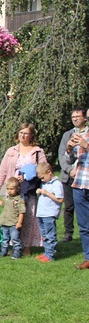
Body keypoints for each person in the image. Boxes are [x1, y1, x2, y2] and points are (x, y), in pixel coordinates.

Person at [0, 123, 47, 256]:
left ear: (31, 135)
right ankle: (14, 245)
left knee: (28, 217)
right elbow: (3, 171)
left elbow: (45, 168)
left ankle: (27, 246)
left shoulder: (37, 151)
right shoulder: (11, 151)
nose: (23, 135)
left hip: (29, 190)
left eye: (26, 133)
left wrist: (31, 174)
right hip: (13, 190)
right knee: (12, 218)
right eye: (21, 133)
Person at [64, 112, 89, 269]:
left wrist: (86, 145)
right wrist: (69, 150)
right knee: (84, 225)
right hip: (80, 184)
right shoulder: (80, 134)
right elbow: (70, 160)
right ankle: (88, 257)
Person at [58, 109, 86, 242]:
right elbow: (62, 155)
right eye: (73, 117)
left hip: (84, 176)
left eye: (78, 116)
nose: (75, 119)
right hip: (69, 176)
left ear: (84, 118)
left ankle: (84, 233)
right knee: (68, 206)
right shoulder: (67, 135)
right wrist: (69, 170)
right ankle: (68, 233)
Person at [35, 163, 63, 262]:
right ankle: (46, 252)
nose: (42, 180)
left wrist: (46, 193)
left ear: (49, 172)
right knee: (45, 235)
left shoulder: (57, 184)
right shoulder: (44, 183)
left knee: (50, 235)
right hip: (41, 213)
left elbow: (60, 199)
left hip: (49, 214)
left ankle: (50, 255)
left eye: (43, 177)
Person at [0, 177, 25, 259]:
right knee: (4, 239)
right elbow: (3, 204)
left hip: (14, 223)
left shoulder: (19, 200)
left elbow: (22, 212)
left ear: (17, 189)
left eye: (11, 189)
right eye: (7, 189)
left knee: (15, 240)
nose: (9, 191)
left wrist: (19, 222)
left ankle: (17, 253)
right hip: (5, 223)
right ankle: (3, 251)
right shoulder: (7, 198)